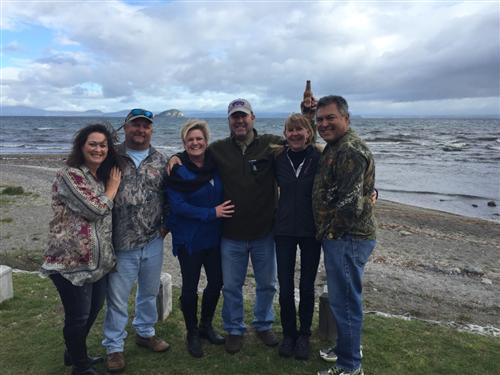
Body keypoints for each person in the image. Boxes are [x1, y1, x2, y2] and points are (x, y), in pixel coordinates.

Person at [168, 99, 283, 354]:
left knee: (264, 284)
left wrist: (309, 116)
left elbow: (301, 140)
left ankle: (262, 325)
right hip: (226, 234)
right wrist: (175, 156)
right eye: (234, 117)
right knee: (229, 286)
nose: (239, 121)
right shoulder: (217, 150)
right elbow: (188, 160)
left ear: (252, 117)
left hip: (262, 231)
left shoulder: (269, 144)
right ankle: (232, 329)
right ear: (229, 121)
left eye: (243, 116)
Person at [41, 124, 122, 375]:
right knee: (77, 318)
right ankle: (80, 365)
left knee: (92, 311)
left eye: (103, 145)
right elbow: (95, 209)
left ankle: (74, 351)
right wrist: (113, 188)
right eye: (93, 144)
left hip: (98, 263)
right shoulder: (69, 175)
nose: (98, 149)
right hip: (70, 263)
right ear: (82, 146)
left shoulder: (99, 177)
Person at [102, 109, 169, 373]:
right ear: (125, 127)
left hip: (153, 239)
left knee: (148, 294)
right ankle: (114, 347)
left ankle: (145, 332)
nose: (140, 130)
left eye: (146, 126)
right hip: (120, 242)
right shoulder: (111, 156)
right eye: (135, 125)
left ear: (151, 130)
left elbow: (169, 194)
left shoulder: (161, 159)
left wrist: (166, 226)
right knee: (117, 299)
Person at [314, 96, 377, 375]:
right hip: (340, 237)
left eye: (330, 118)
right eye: (319, 119)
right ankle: (345, 348)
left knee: (346, 301)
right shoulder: (334, 146)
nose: (324, 124)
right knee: (342, 298)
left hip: (347, 237)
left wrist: (328, 231)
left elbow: (350, 208)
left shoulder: (349, 150)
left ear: (346, 119)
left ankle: (350, 366)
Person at [165, 120, 234, 358]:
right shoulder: (177, 169)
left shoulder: (215, 166)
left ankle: (206, 326)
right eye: (190, 140)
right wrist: (210, 213)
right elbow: (177, 205)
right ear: (184, 143)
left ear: (206, 141)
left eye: (199, 139)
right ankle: (192, 332)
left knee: (216, 283)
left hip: (214, 238)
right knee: (190, 287)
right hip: (189, 239)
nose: (195, 143)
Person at [272, 114, 322, 361]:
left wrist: (372, 191)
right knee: (285, 286)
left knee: (306, 285)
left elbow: (344, 177)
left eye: (299, 129)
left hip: (312, 231)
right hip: (283, 231)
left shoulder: (320, 157)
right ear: (285, 133)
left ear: (308, 132)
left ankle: (304, 335)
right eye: (290, 130)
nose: (294, 134)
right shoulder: (278, 157)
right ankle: (289, 334)